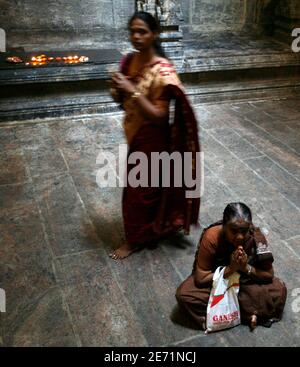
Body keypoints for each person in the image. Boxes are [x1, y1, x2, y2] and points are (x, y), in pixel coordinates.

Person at [109, 11, 200, 260]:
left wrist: (132, 90)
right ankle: (159, 226)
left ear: (155, 34)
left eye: (143, 31)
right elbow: (121, 101)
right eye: (132, 31)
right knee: (150, 187)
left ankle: (134, 241)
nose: (136, 36)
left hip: (152, 139)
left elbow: (160, 116)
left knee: (139, 193)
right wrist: (118, 91)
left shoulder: (163, 71)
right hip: (134, 133)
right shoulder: (130, 61)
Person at [176, 202, 287, 331]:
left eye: (244, 231)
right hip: (217, 283)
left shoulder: (257, 238)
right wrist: (230, 269)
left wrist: (245, 268)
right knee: (185, 295)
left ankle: (224, 314)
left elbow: (268, 275)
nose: (240, 237)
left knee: (279, 290)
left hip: (246, 282)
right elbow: (201, 278)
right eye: (233, 231)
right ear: (224, 226)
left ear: (249, 226)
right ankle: (251, 312)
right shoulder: (212, 237)